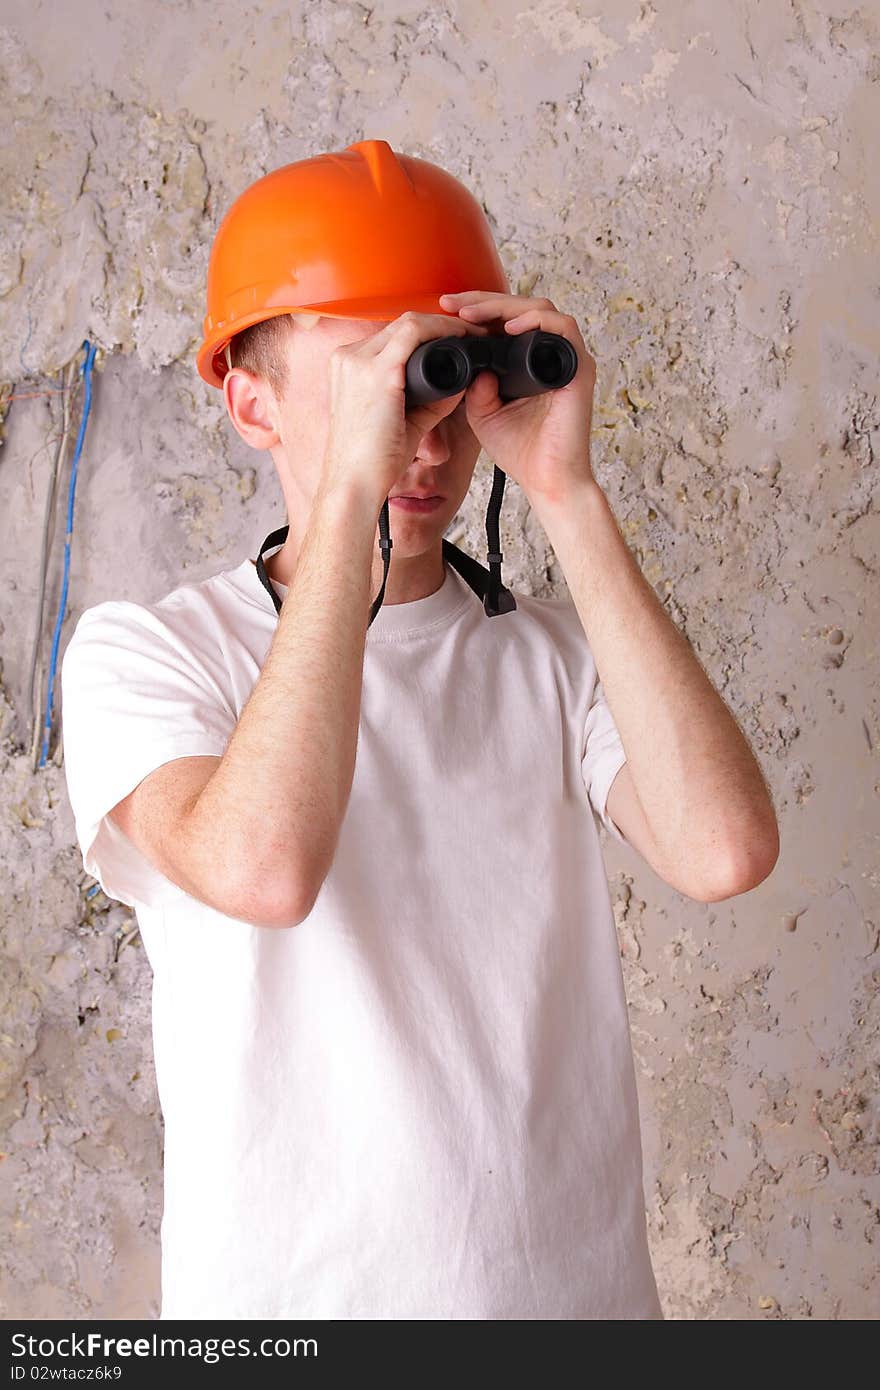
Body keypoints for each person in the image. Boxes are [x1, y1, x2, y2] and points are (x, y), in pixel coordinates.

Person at [60, 142, 778, 1320]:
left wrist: (565, 493)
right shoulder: (152, 655)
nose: (424, 438)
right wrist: (350, 484)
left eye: (439, 383)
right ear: (251, 400)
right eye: (370, 384)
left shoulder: (551, 651)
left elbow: (724, 852)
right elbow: (265, 864)